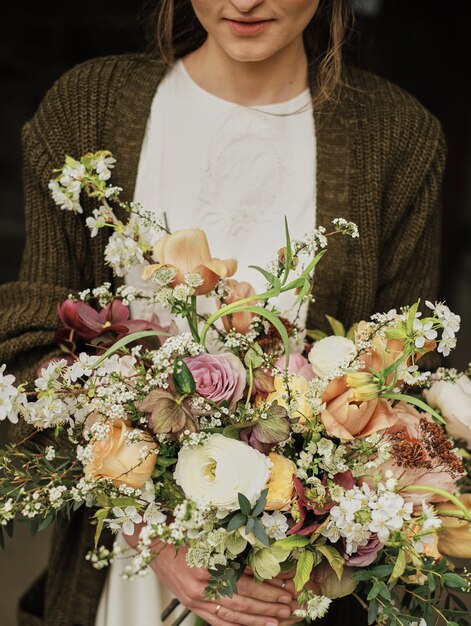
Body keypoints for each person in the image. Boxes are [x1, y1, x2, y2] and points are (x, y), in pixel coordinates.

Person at [0, 0, 446, 625]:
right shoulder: (88, 108)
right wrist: (156, 536)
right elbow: (33, 341)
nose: (243, 2)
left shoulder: (397, 137)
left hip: (292, 588)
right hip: (128, 577)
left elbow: (398, 384)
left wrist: (304, 543)